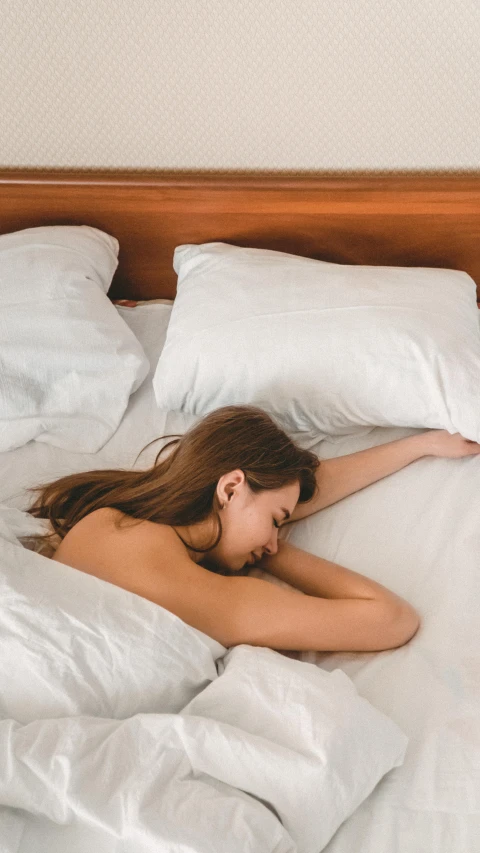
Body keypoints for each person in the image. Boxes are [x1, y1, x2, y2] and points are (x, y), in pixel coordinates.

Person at [29, 402, 472, 655]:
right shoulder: (208, 597)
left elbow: (292, 492)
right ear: (230, 486)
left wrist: (419, 446)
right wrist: (275, 553)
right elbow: (393, 620)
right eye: (278, 521)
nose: (276, 535)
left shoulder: (108, 517)